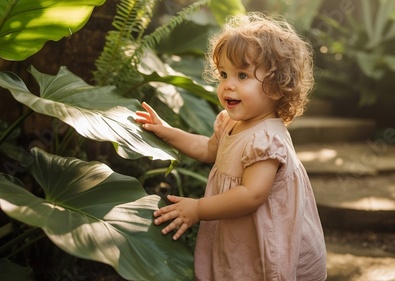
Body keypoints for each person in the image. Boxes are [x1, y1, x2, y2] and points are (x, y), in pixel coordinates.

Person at [135, 12, 327, 281]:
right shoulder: (229, 122)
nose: (228, 85)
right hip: (237, 229)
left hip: (263, 238)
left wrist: (199, 209)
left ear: (275, 86)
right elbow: (207, 150)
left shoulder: (266, 140)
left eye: (242, 75)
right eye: (224, 74)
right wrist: (167, 131)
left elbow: (251, 195)